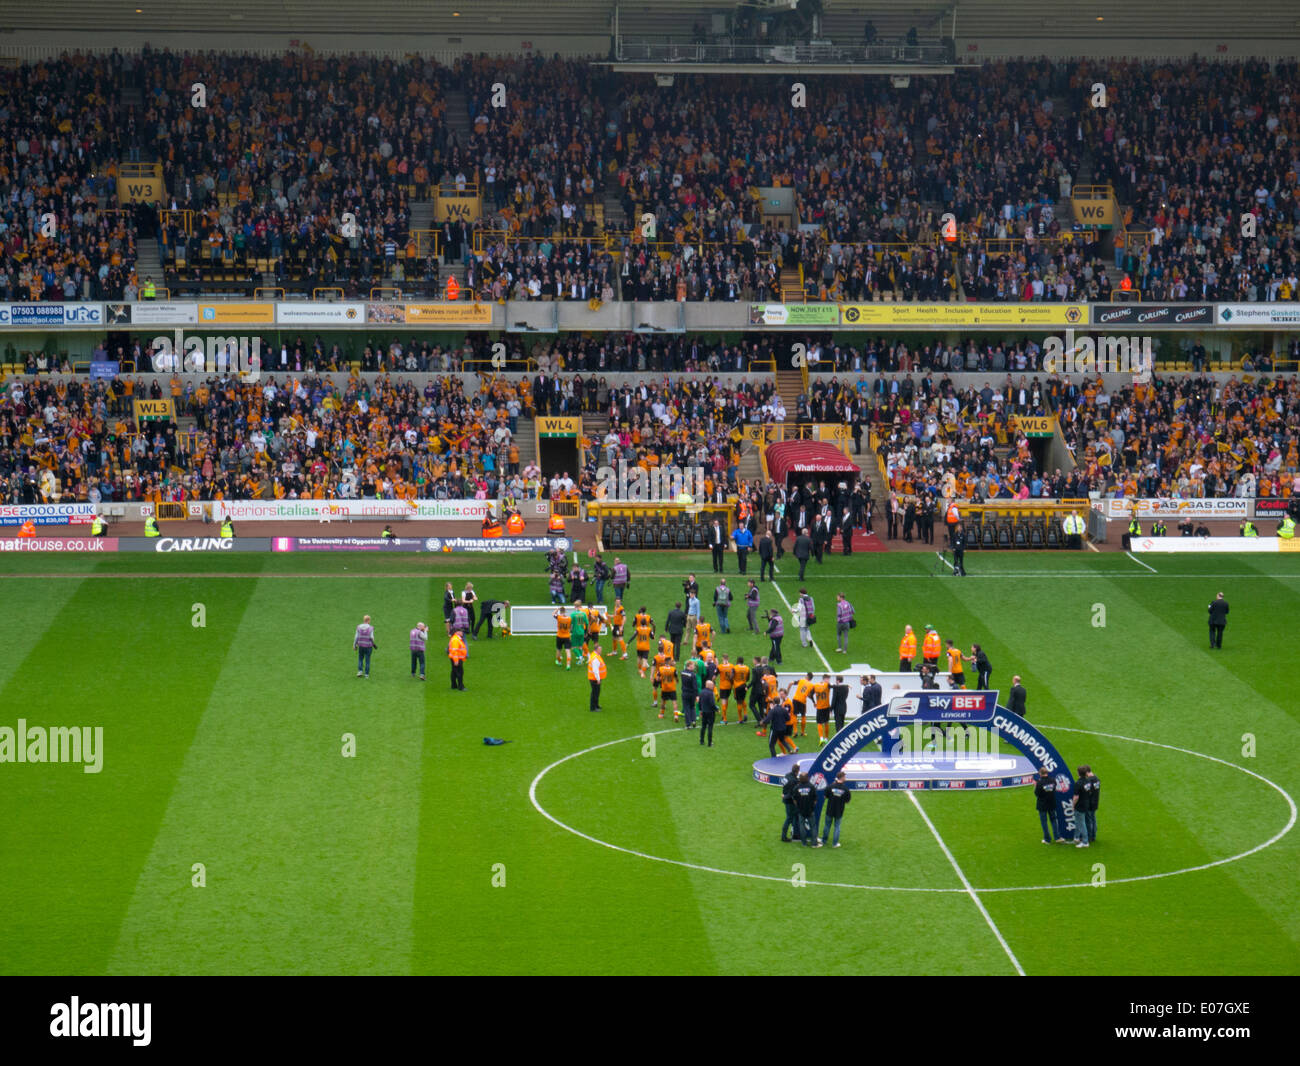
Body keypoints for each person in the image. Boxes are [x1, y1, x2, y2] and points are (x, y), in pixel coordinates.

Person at [821, 771, 851, 847]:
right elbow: (847, 801)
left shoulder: (830, 787)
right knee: (837, 827)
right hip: (839, 811)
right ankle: (834, 843)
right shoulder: (846, 789)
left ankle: (824, 841)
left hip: (830, 809)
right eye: (844, 776)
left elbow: (825, 797)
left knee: (827, 825)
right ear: (842, 777)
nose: (845, 778)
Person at [1074, 765, 1100, 847]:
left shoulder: (1088, 781)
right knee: (1093, 819)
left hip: (1089, 802)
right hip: (1095, 802)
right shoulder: (1097, 779)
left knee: (1088, 821)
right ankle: (1093, 836)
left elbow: (1087, 792)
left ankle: (1088, 838)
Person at [1034, 767, 1061, 843]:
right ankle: (1057, 837)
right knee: (1054, 820)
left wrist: (1035, 786)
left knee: (1044, 822)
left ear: (1040, 773)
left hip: (1042, 805)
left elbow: (1036, 794)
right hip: (1051, 803)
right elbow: (1054, 789)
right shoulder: (1053, 780)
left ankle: (1047, 839)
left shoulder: (1039, 783)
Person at [794, 773, 821, 848]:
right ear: (807, 778)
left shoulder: (797, 787)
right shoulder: (811, 787)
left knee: (802, 826)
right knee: (813, 826)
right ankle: (814, 844)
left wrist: (799, 807)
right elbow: (815, 799)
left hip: (801, 810)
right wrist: (812, 806)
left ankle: (804, 843)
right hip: (810, 810)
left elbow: (795, 800)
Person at [781, 764, 803, 843]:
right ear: (797, 771)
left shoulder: (787, 775)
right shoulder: (794, 781)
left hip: (786, 800)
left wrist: (784, 794)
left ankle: (794, 833)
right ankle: (784, 836)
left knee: (792, 817)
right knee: (789, 818)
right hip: (790, 802)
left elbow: (783, 785)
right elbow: (792, 794)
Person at [633, 607, 655, 677]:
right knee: (645, 660)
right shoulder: (648, 619)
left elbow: (633, 624)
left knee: (639, 657)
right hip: (646, 644)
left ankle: (639, 669)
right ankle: (642, 672)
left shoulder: (637, 616)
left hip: (639, 641)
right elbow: (653, 624)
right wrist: (653, 632)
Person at [791, 673, 813, 738]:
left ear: (807, 676)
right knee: (803, 715)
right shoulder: (811, 685)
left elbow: (792, 683)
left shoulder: (801, 680)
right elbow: (810, 695)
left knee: (794, 715)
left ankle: (795, 731)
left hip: (795, 699)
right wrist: (813, 701)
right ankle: (802, 732)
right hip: (803, 701)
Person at [657, 655, 679, 721]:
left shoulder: (661, 668)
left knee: (663, 701)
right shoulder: (673, 669)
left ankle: (661, 714)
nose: (672, 662)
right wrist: (677, 681)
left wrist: (662, 679)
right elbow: (677, 678)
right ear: (669, 662)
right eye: (671, 661)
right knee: (674, 702)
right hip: (672, 688)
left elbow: (657, 679)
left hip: (664, 688)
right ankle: (676, 716)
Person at [812, 673, 833, 744]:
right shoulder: (828, 685)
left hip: (819, 707)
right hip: (826, 706)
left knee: (819, 723)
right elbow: (835, 687)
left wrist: (814, 702)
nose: (829, 680)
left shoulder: (815, 685)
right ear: (825, 679)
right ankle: (826, 739)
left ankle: (821, 738)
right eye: (828, 679)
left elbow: (810, 694)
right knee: (826, 722)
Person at [732, 656, 752, 726]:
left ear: (737, 661)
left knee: (739, 701)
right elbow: (748, 678)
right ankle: (745, 713)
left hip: (737, 687)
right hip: (744, 686)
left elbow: (732, 677)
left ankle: (740, 719)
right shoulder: (747, 668)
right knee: (743, 699)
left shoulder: (735, 668)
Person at [681, 656, 699, 729]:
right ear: (689, 666)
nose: (694, 667)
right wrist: (697, 695)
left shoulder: (682, 673)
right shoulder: (693, 675)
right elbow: (695, 686)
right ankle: (693, 721)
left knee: (686, 708)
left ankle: (688, 724)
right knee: (692, 707)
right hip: (691, 693)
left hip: (685, 692)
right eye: (693, 665)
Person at [698, 680, 718, 746]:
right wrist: (716, 709)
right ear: (709, 685)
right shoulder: (710, 693)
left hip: (704, 712)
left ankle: (701, 741)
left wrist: (700, 710)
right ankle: (709, 743)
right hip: (710, 713)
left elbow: (699, 702)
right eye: (712, 685)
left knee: (703, 727)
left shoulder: (702, 692)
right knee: (710, 727)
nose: (713, 686)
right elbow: (712, 704)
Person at [587, 647, 606, 712]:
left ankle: (596, 705)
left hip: (593, 677)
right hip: (594, 678)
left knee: (596, 692)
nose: (601, 651)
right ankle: (593, 708)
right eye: (600, 650)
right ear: (596, 650)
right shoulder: (595, 659)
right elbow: (595, 670)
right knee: (595, 692)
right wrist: (598, 679)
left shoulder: (594, 655)